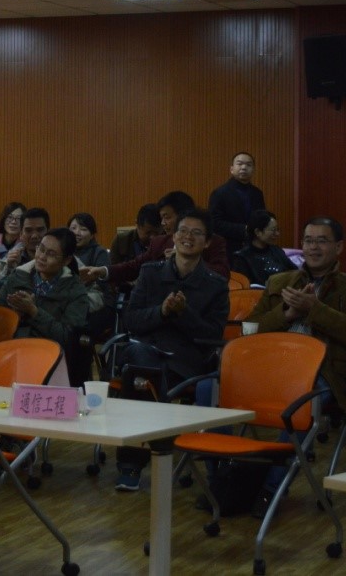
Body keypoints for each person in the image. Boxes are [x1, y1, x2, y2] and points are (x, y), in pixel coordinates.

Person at [246, 216, 346, 514]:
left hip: (324, 374)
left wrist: (315, 310)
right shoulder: (279, 283)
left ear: (339, 247)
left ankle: (271, 489)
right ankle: (223, 478)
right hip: (273, 369)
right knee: (209, 385)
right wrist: (286, 314)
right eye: (308, 240)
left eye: (321, 241)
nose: (313, 247)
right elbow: (249, 330)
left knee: (302, 400)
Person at [115, 209, 229, 493]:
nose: (188, 237)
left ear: (207, 242)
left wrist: (184, 313)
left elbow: (212, 336)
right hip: (145, 353)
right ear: (173, 237)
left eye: (196, 233)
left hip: (184, 362)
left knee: (141, 375)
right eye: (183, 231)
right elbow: (131, 320)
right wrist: (162, 312)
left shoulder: (215, 285)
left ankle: (132, 463)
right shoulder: (150, 272)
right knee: (142, 362)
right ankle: (158, 445)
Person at [82, 191, 230, 289]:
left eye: (167, 217)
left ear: (183, 215)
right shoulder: (160, 242)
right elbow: (133, 267)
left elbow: (222, 273)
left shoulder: (212, 241)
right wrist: (102, 271)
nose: (163, 223)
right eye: (162, 218)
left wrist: (188, 263)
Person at [0, 227, 90, 353]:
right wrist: (15, 315)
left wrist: (34, 311)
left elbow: (68, 338)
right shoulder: (18, 276)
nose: (42, 257)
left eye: (51, 254)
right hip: (12, 350)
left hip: (49, 354)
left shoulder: (75, 291)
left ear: (66, 260)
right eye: (41, 249)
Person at [208, 152, 266, 254]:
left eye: (248, 165)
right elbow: (214, 223)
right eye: (239, 164)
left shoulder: (257, 193)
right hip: (228, 248)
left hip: (254, 247)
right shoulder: (219, 193)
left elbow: (262, 218)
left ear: (253, 170)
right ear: (231, 169)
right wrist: (244, 229)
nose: (244, 167)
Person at [231, 209, 294, 286]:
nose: (277, 234)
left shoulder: (277, 251)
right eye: (273, 230)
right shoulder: (242, 258)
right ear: (258, 232)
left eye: (277, 229)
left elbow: (293, 272)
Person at [0, 207, 50, 286]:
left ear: (48, 232)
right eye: (28, 230)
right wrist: (10, 268)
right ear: (21, 234)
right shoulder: (11, 257)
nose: (34, 236)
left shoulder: (58, 258)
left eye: (40, 230)